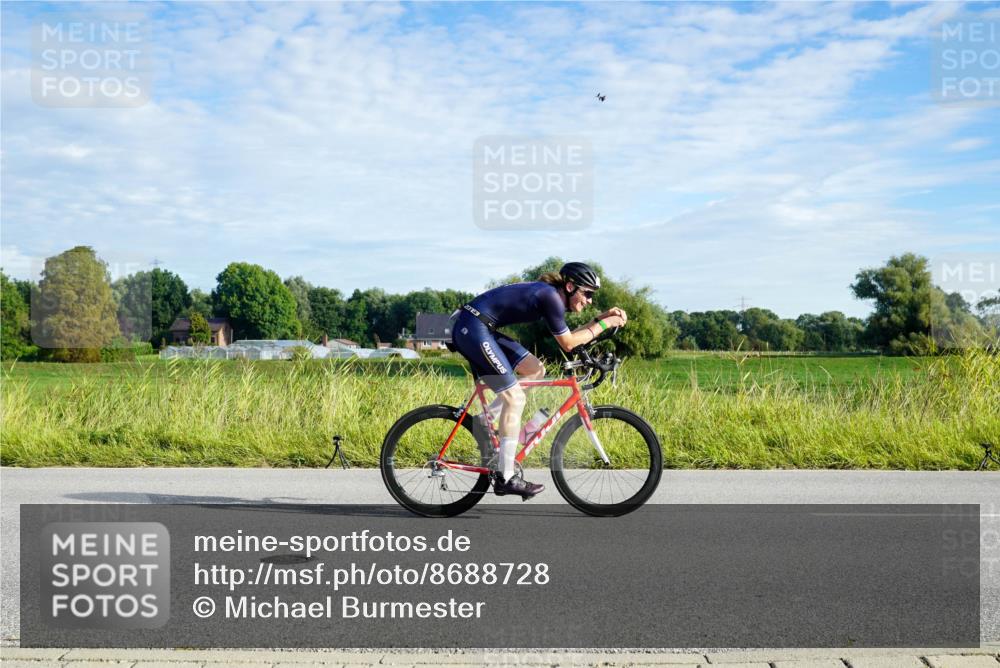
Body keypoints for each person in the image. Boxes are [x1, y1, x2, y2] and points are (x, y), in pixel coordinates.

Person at [450, 262, 628, 500]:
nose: (589, 300)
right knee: (515, 399)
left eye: (592, 296)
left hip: (479, 325)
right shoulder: (551, 298)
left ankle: (485, 420)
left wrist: (600, 318)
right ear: (570, 286)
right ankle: (506, 478)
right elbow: (569, 344)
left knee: (535, 370)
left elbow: (572, 337)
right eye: (587, 294)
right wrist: (606, 324)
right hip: (471, 327)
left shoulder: (552, 297)